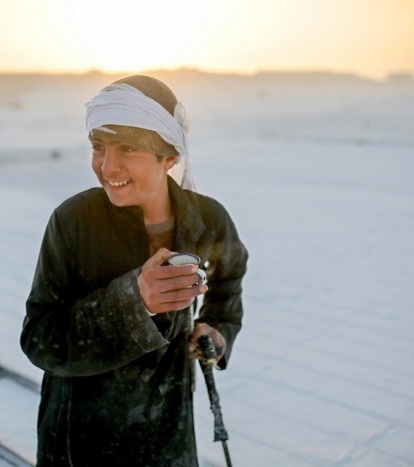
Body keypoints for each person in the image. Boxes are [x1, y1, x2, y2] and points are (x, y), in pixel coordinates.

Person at [21, 75, 248, 467]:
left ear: (169, 157)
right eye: (98, 147)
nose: (108, 166)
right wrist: (134, 302)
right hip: (80, 443)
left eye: (127, 147)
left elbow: (228, 282)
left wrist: (216, 328)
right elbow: (41, 338)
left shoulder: (207, 219)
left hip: (168, 437)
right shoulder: (75, 221)